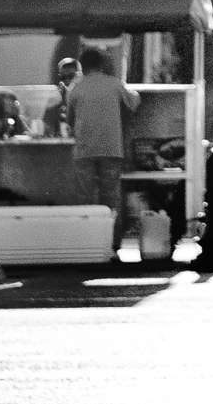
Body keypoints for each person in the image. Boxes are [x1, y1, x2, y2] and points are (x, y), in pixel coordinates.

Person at [70, 44, 140, 256]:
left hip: (84, 150)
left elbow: (70, 119)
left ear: (83, 65)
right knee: (111, 198)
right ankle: (113, 243)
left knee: (85, 196)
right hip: (111, 148)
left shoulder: (76, 87)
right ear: (102, 64)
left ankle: (88, 243)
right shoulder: (115, 84)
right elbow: (134, 102)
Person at [42, 58, 81, 137]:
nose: (67, 80)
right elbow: (47, 126)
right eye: (63, 77)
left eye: (71, 76)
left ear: (79, 76)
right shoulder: (56, 97)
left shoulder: (86, 95)